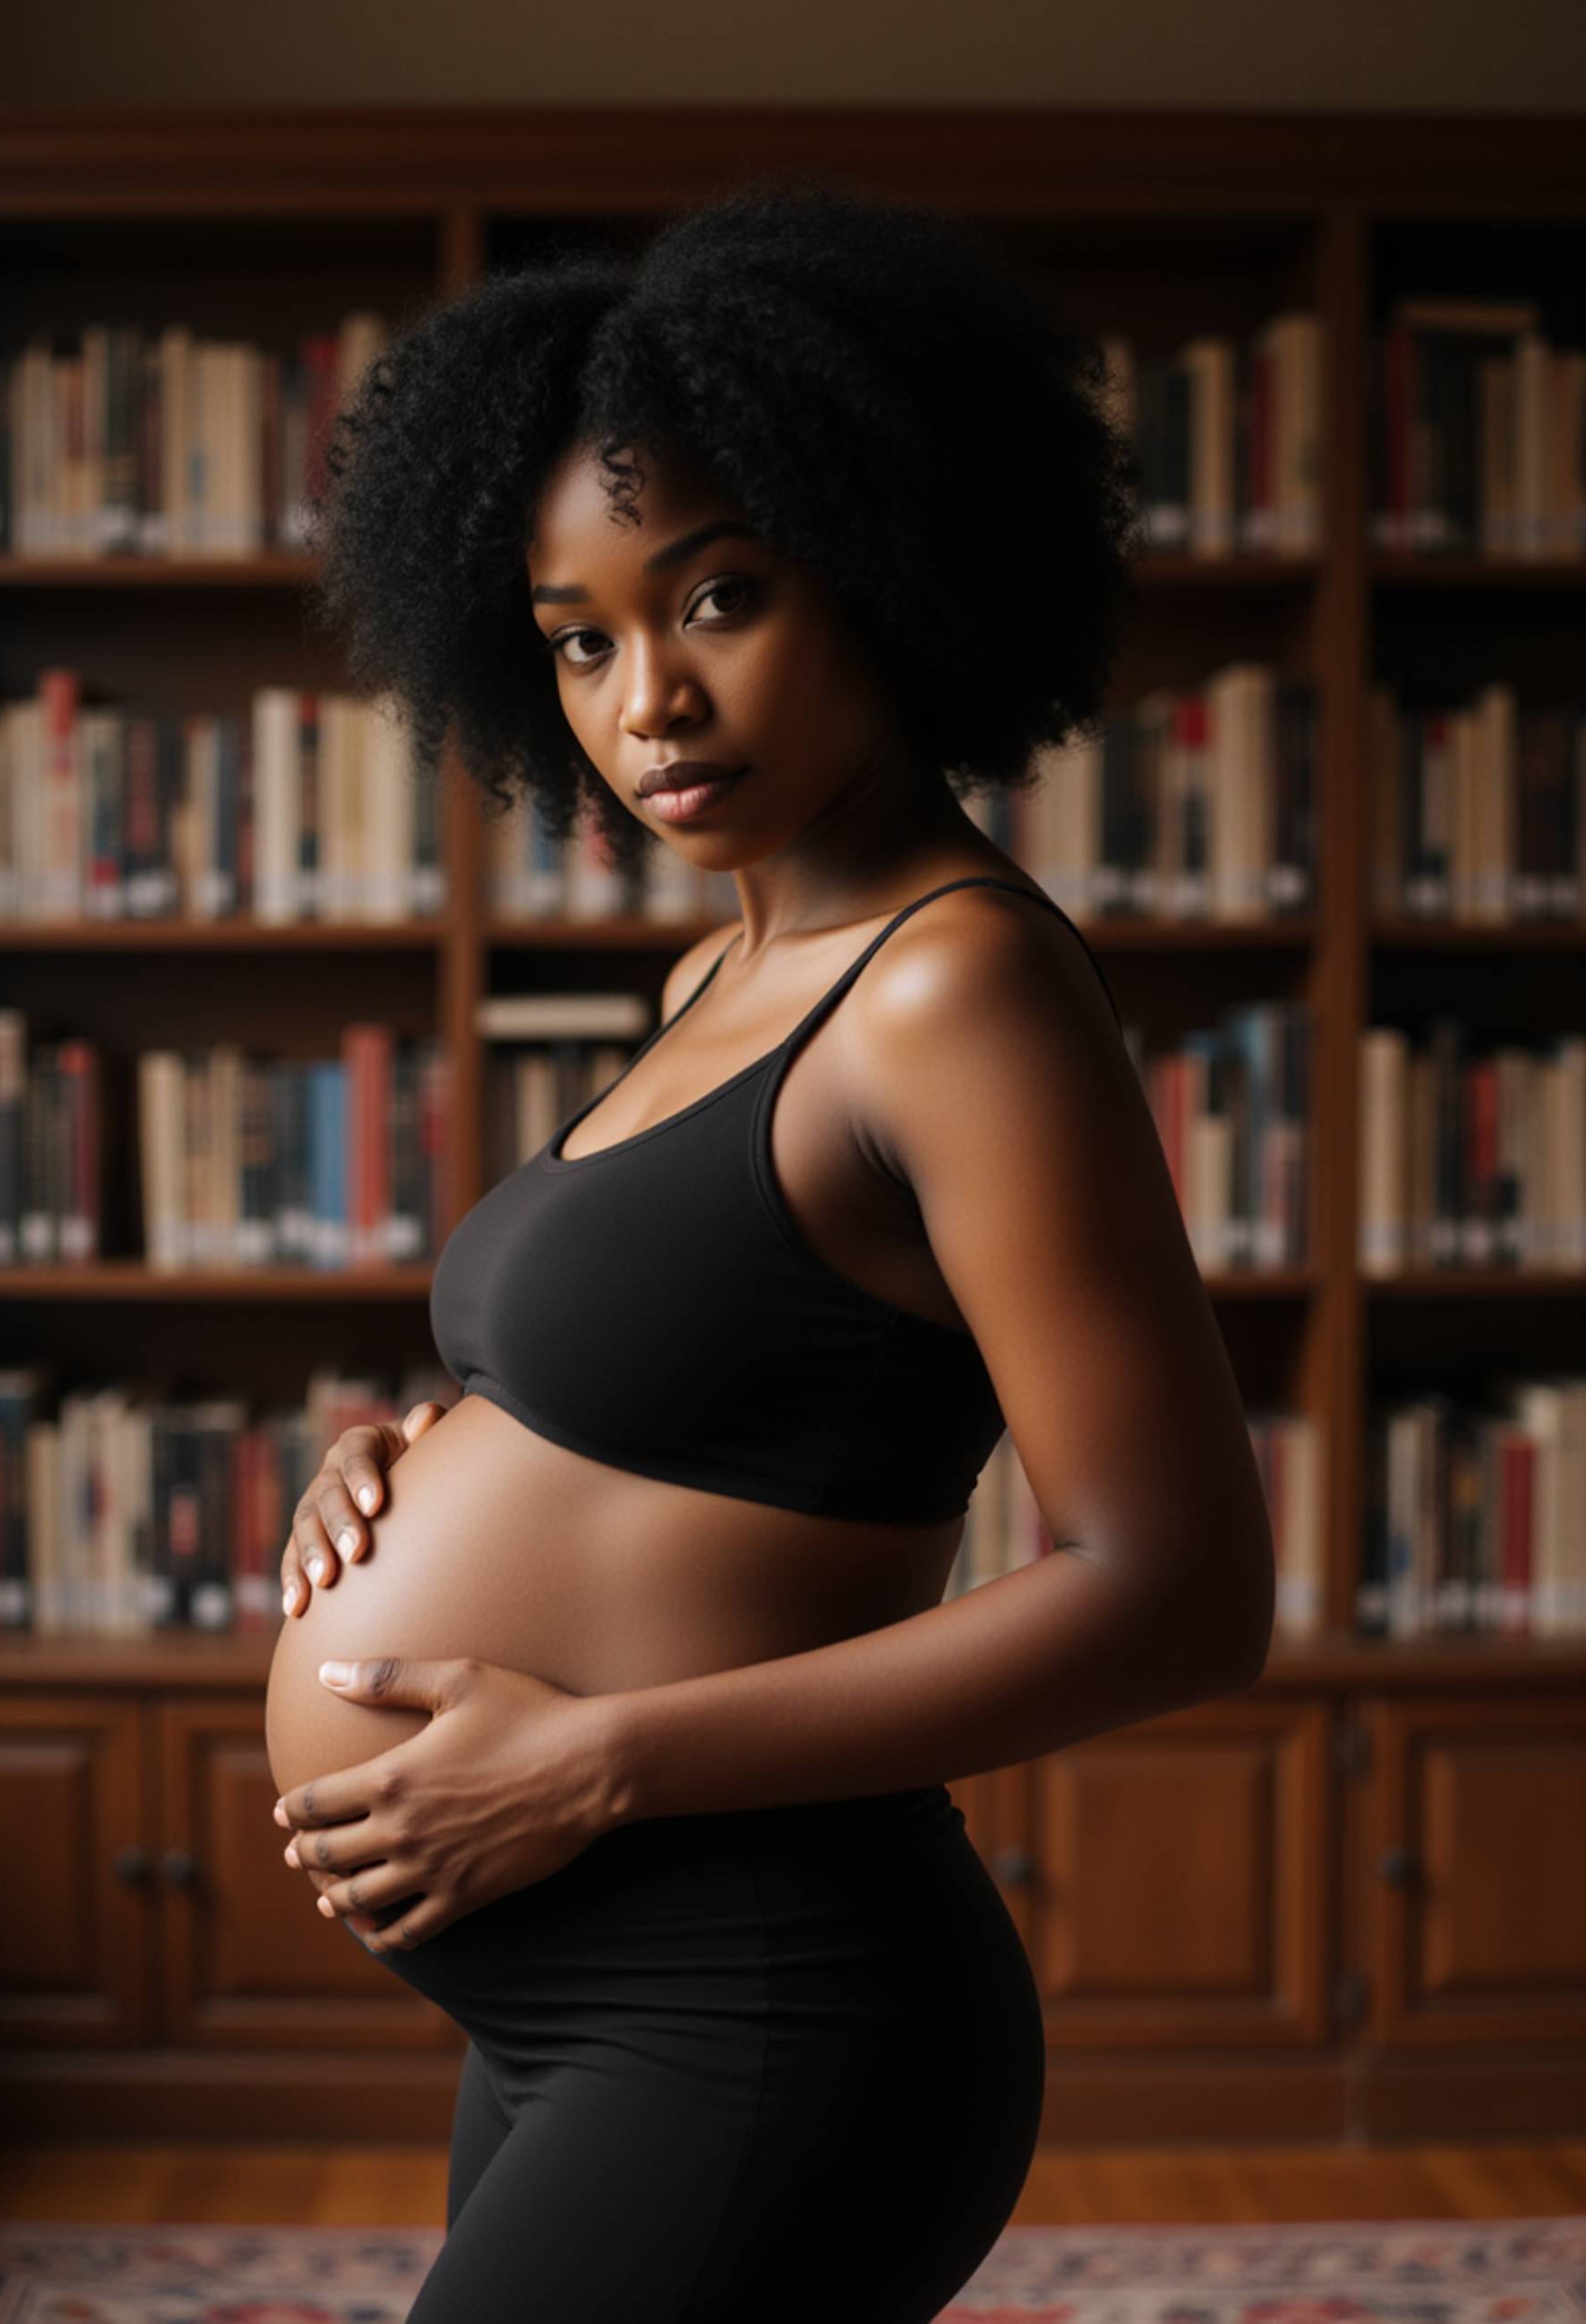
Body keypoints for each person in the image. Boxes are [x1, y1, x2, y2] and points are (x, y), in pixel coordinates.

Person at [265, 172, 1276, 2324]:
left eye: (718, 596)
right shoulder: (725, 976)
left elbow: (1177, 1591)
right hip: (576, 2003)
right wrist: (416, 1449)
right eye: (578, 636)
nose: (648, 700)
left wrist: (595, 1751)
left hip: (757, 2003)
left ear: (889, 560)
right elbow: (716, 1388)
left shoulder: (952, 987)